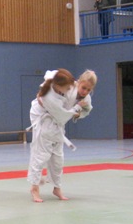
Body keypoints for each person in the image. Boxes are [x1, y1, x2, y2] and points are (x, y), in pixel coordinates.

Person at [27, 68, 96, 203]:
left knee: (58, 159)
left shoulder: (84, 97)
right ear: (78, 82)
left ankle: (57, 187)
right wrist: (42, 93)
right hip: (43, 119)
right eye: (83, 88)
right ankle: (34, 188)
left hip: (58, 123)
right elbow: (61, 114)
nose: (85, 92)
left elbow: (86, 110)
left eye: (88, 90)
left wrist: (79, 113)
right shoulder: (60, 89)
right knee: (41, 155)